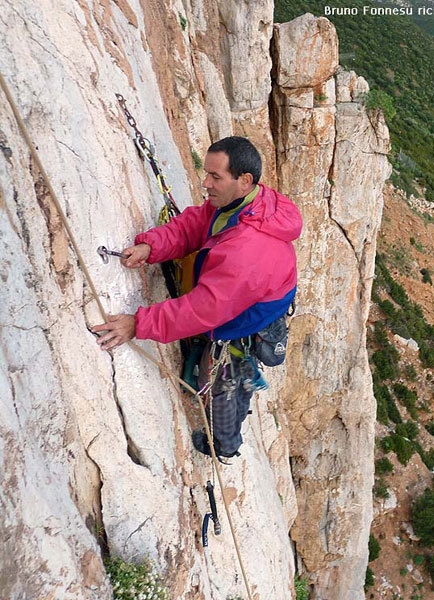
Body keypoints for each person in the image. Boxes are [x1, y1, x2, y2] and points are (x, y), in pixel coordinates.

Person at [92, 136, 302, 458]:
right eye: (207, 173)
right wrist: (153, 246)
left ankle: (225, 445)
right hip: (247, 292)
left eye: (215, 177)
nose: (205, 183)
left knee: (227, 386)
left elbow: (203, 310)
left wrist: (138, 324)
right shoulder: (244, 205)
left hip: (248, 317)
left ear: (244, 181)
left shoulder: (249, 249)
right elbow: (198, 224)